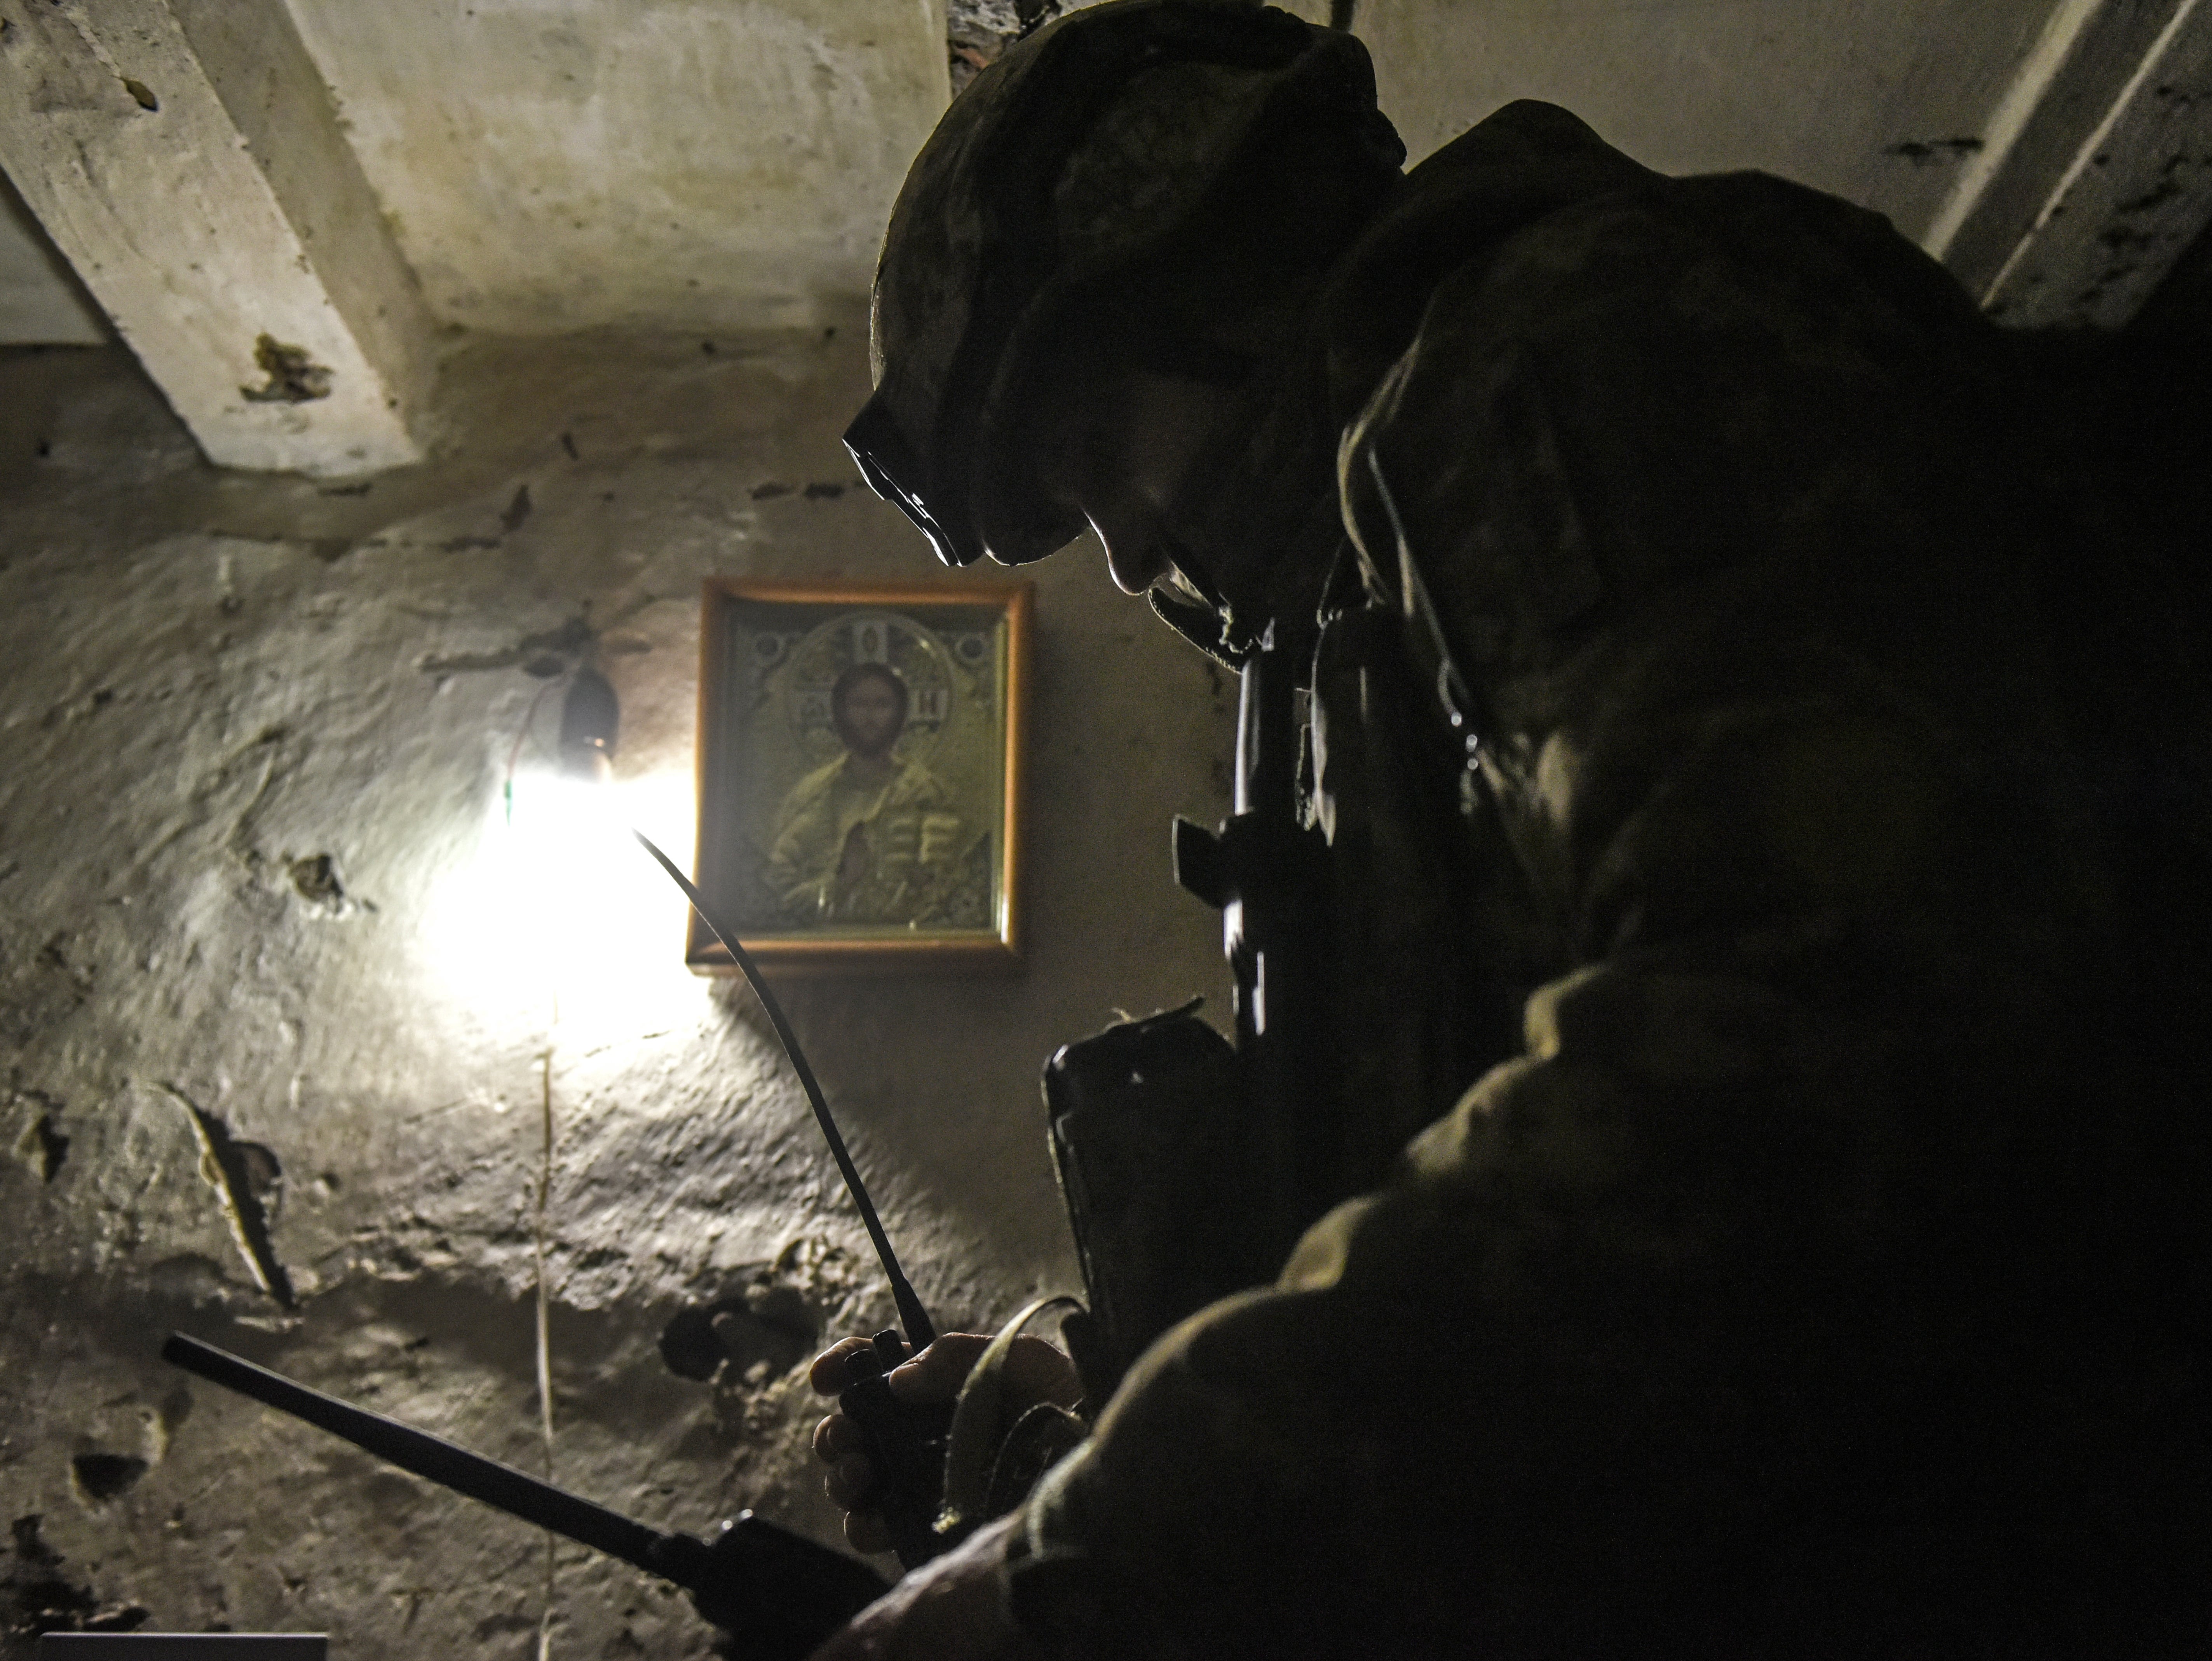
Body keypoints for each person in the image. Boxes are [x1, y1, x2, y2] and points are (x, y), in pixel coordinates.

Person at [807, 2, 2212, 1656]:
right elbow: (1451, 1153)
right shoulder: (1360, 623)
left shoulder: (1578, 340)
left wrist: (1073, 1574)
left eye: (1096, 450)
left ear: (1209, 269)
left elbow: (1803, 1066)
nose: (1123, 555)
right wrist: (1073, 1360)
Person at [765, 660, 970, 926]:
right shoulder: (813, 796)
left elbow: (954, 886)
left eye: (882, 705)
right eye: (858, 705)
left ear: (900, 715)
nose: (869, 717)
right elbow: (779, 896)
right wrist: (842, 880)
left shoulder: (926, 793)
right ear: (840, 713)